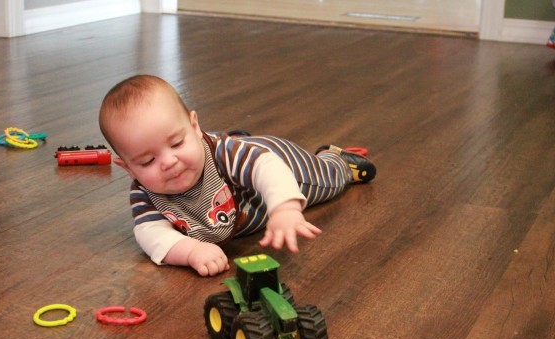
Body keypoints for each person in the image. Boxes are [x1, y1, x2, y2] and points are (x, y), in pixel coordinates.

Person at [99, 75, 376, 277]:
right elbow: (151, 234)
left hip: (286, 165)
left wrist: (285, 208)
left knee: (329, 180)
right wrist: (190, 251)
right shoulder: (145, 195)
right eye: (147, 160)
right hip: (246, 178)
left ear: (195, 126)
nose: (169, 161)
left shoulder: (221, 154)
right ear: (129, 168)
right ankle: (238, 140)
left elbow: (266, 168)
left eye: (177, 144)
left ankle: (336, 160)